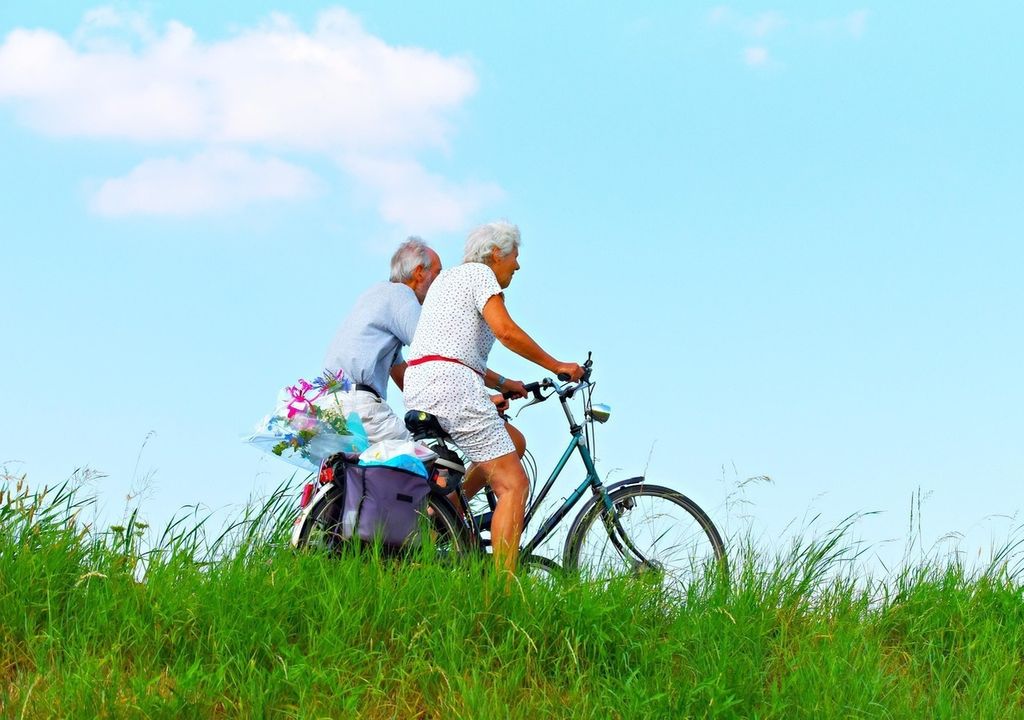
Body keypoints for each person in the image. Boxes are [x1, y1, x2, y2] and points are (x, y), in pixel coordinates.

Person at [403, 221, 583, 573]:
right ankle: (501, 594)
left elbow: (449, 348)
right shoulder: (480, 275)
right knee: (513, 484)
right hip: (451, 386)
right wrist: (557, 364)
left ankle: (448, 513)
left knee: (512, 441)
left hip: (424, 383)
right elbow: (506, 331)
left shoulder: (448, 281)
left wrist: (502, 383)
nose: (517, 265)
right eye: (515, 256)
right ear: (496, 253)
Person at [318, 237, 442, 443]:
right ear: (420, 272)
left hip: (330, 407)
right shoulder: (401, 295)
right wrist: (477, 397)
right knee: (425, 462)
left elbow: (402, 374)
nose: (441, 282)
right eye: (438, 273)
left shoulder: (375, 295)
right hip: (359, 407)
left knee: (362, 473)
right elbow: (435, 350)